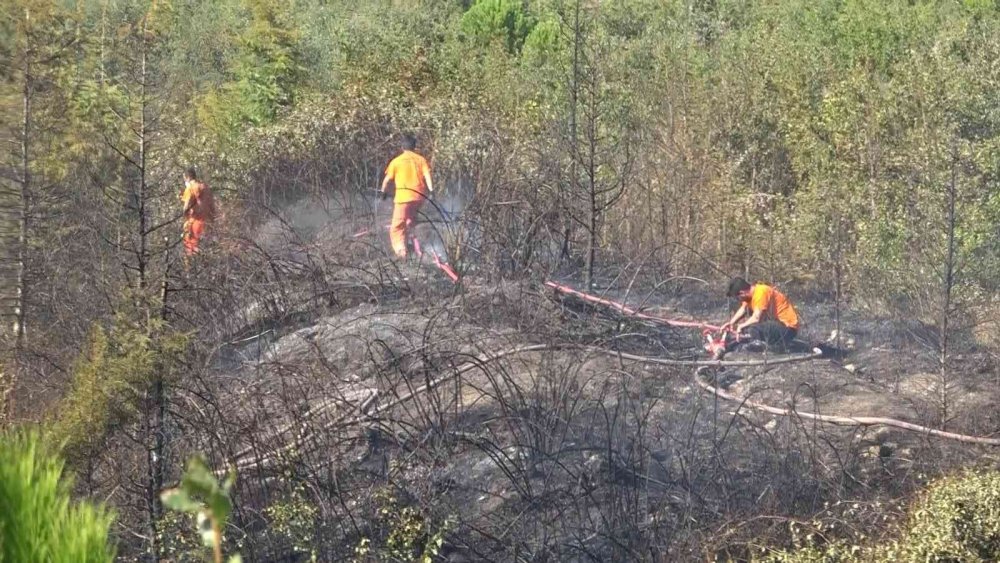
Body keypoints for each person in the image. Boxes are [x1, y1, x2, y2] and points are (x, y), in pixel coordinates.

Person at [380, 133, 433, 259]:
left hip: (403, 198)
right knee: (410, 220)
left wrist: (383, 193)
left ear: (402, 147)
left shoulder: (396, 161)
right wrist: (431, 191)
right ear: (415, 147)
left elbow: (387, 180)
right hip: (419, 197)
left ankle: (401, 253)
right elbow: (427, 176)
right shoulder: (421, 160)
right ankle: (414, 243)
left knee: (397, 227)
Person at [718, 277, 800, 357]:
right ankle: (766, 347)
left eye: (737, 297)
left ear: (742, 292)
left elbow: (757, 318)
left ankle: (760, 351)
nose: (739, 300)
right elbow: (743, 309)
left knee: (753, 328)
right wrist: (731, 323)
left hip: (787, 328)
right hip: (778, 326)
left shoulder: (761, 292)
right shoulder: (750, 296)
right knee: (748, 328)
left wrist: (741, 326)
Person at [179, 168, 215, 259]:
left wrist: (183, 218)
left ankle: (189, 272)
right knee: (206, 251)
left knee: (191, 251)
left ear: (187, 177)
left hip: (194, 223)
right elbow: (212, 207)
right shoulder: (205, 187)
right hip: (207, 223)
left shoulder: (190, 187)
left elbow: (186, 207)